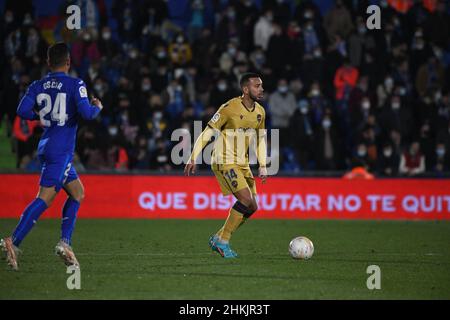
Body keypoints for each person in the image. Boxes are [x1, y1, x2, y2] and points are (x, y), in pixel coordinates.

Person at [0, 43, 104, 270]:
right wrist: (97, 106)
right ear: (68, 62)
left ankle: (65, 243)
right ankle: (13, 241)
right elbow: (87, 114)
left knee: (77, 192)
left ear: (48, 63)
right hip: (62, 149)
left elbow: (21, 110)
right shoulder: (76, 84)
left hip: (47, 144)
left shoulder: (38, 85)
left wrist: (40, 115)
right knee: (45, 198)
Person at [184, 73, 267, 258]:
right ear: (245, 89)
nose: (261, 89)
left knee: (253, 207)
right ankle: (223, 242)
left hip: (242, 163)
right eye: (256, 86)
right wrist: (193, 156)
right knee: (245, 199)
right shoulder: (228, 108)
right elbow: (207, 133)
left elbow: (261, 139)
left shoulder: (260, 112)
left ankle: (218, 237)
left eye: (261, 85)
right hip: (223, 160)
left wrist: (263, 165)